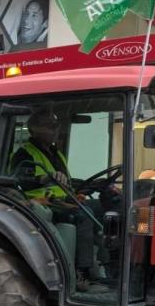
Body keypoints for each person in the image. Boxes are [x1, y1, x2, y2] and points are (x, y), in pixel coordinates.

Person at [11, 110, 105, 291]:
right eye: (50, 126)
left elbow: (66, 181)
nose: (56, 130)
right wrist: (46, 178)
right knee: (85, 215)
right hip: (42, 205)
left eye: (57, 126)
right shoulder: (24, 154)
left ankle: (106, 265)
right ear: (35, 129)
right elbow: (19, 180)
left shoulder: (55, 153)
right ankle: (80, 274)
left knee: (107, 208)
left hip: (65, 199)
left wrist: (95, 184)